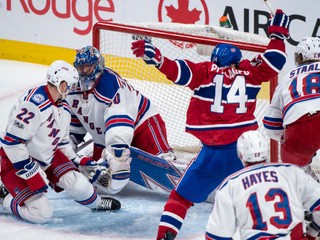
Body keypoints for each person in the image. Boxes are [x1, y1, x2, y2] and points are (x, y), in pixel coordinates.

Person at [131, 9, 290, 240]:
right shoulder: (250, 71)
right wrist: (277, 35)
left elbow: (178, 71)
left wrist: (158, 58)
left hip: (211, 155)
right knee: (257, 202)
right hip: (245, 154)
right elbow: (276, 60)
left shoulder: (204, 72)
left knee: (180, 199)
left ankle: (164, 236)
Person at [0, 60, 121, 224]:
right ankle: (5, 199)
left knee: (79, 184)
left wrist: (82, 161)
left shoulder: (63, 106)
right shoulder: (34, 104)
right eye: (69, 85)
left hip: (46, 156)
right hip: (16, 162)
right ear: (60, 83)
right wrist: (31, 171)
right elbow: (11, 142)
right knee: (42, 214)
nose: (72, 89)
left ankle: (97, 203)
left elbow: (62, 144)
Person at [66, 46, 176, 194]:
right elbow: (75, 126)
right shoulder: (72, 90)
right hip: (103, 138)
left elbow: (119, 127)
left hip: (142, 126)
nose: (84, 72)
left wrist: (117, 156)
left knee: (162, 162)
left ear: (97, 66)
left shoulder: (111, 87)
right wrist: (65, 150)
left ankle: (171, 159)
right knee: (98, 179)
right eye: (81, 67)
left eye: (88, 67)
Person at [205, 130, 320, 240]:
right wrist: (312, 233)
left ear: (240, 154)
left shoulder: (230, 184)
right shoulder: (292, 172)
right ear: (266, 149)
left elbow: (215, 236)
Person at [263, 37, 320, 176]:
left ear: (300, 57)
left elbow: (270, 124)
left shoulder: (287, 78)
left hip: (299, 128)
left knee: (295, 171)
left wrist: (286, 139)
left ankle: (311, 191)